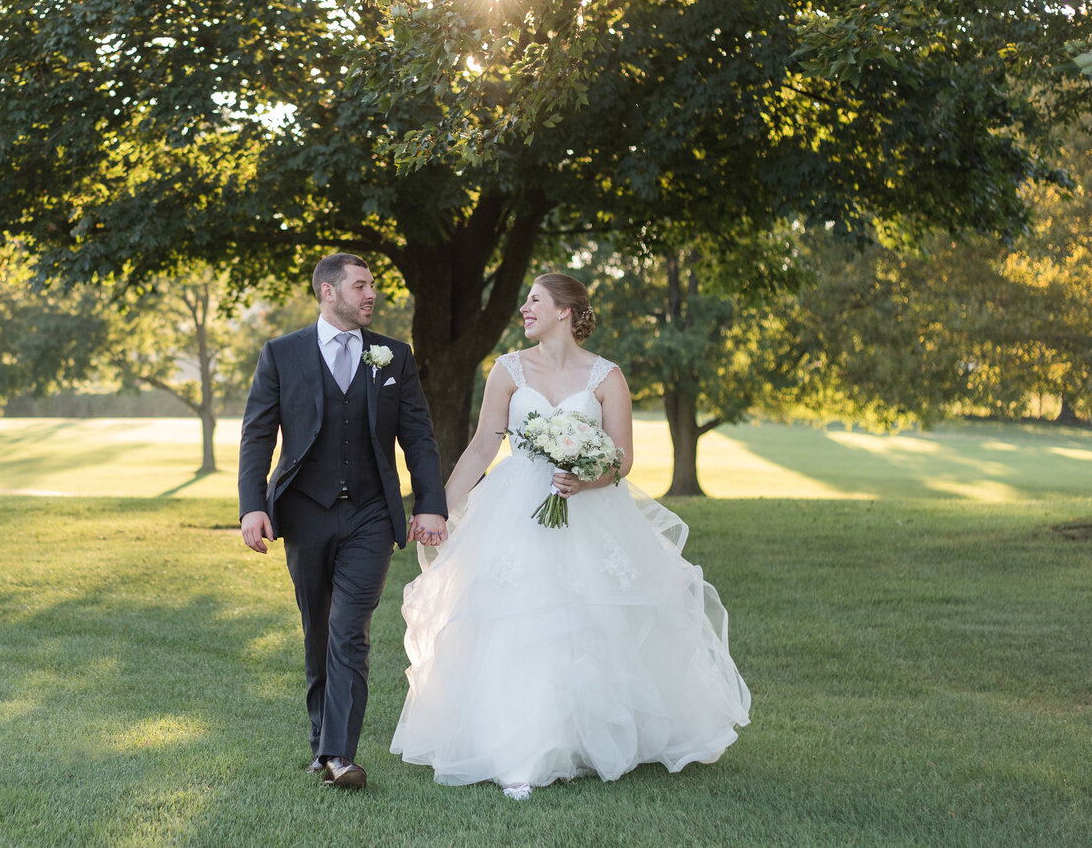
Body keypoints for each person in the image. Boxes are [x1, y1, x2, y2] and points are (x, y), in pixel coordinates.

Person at [391, 272, 751, 798]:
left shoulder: (606, 377)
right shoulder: (508, 370)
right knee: (520, 622)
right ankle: (522, 749)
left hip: (589, 509)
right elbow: (480, 449)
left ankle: (590, 738)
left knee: (591, 623)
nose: (524, 309)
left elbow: (622, 457)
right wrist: (437, 510)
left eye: (534, 300)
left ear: (565, 310)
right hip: (516, 508)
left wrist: (589, 478)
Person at [239, 252, 448, 791]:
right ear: (328, 293)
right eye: (360, 286)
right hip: (306, 513)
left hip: (372, 514)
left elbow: (418, 436)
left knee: (348, 630)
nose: (370, 295)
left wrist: (429, 501)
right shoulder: (282, 355)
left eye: (372, 286)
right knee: (318, 631)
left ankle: (339, 756)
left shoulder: (393, 357)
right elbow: (258, 436)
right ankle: (321, 744)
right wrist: (251, 505)